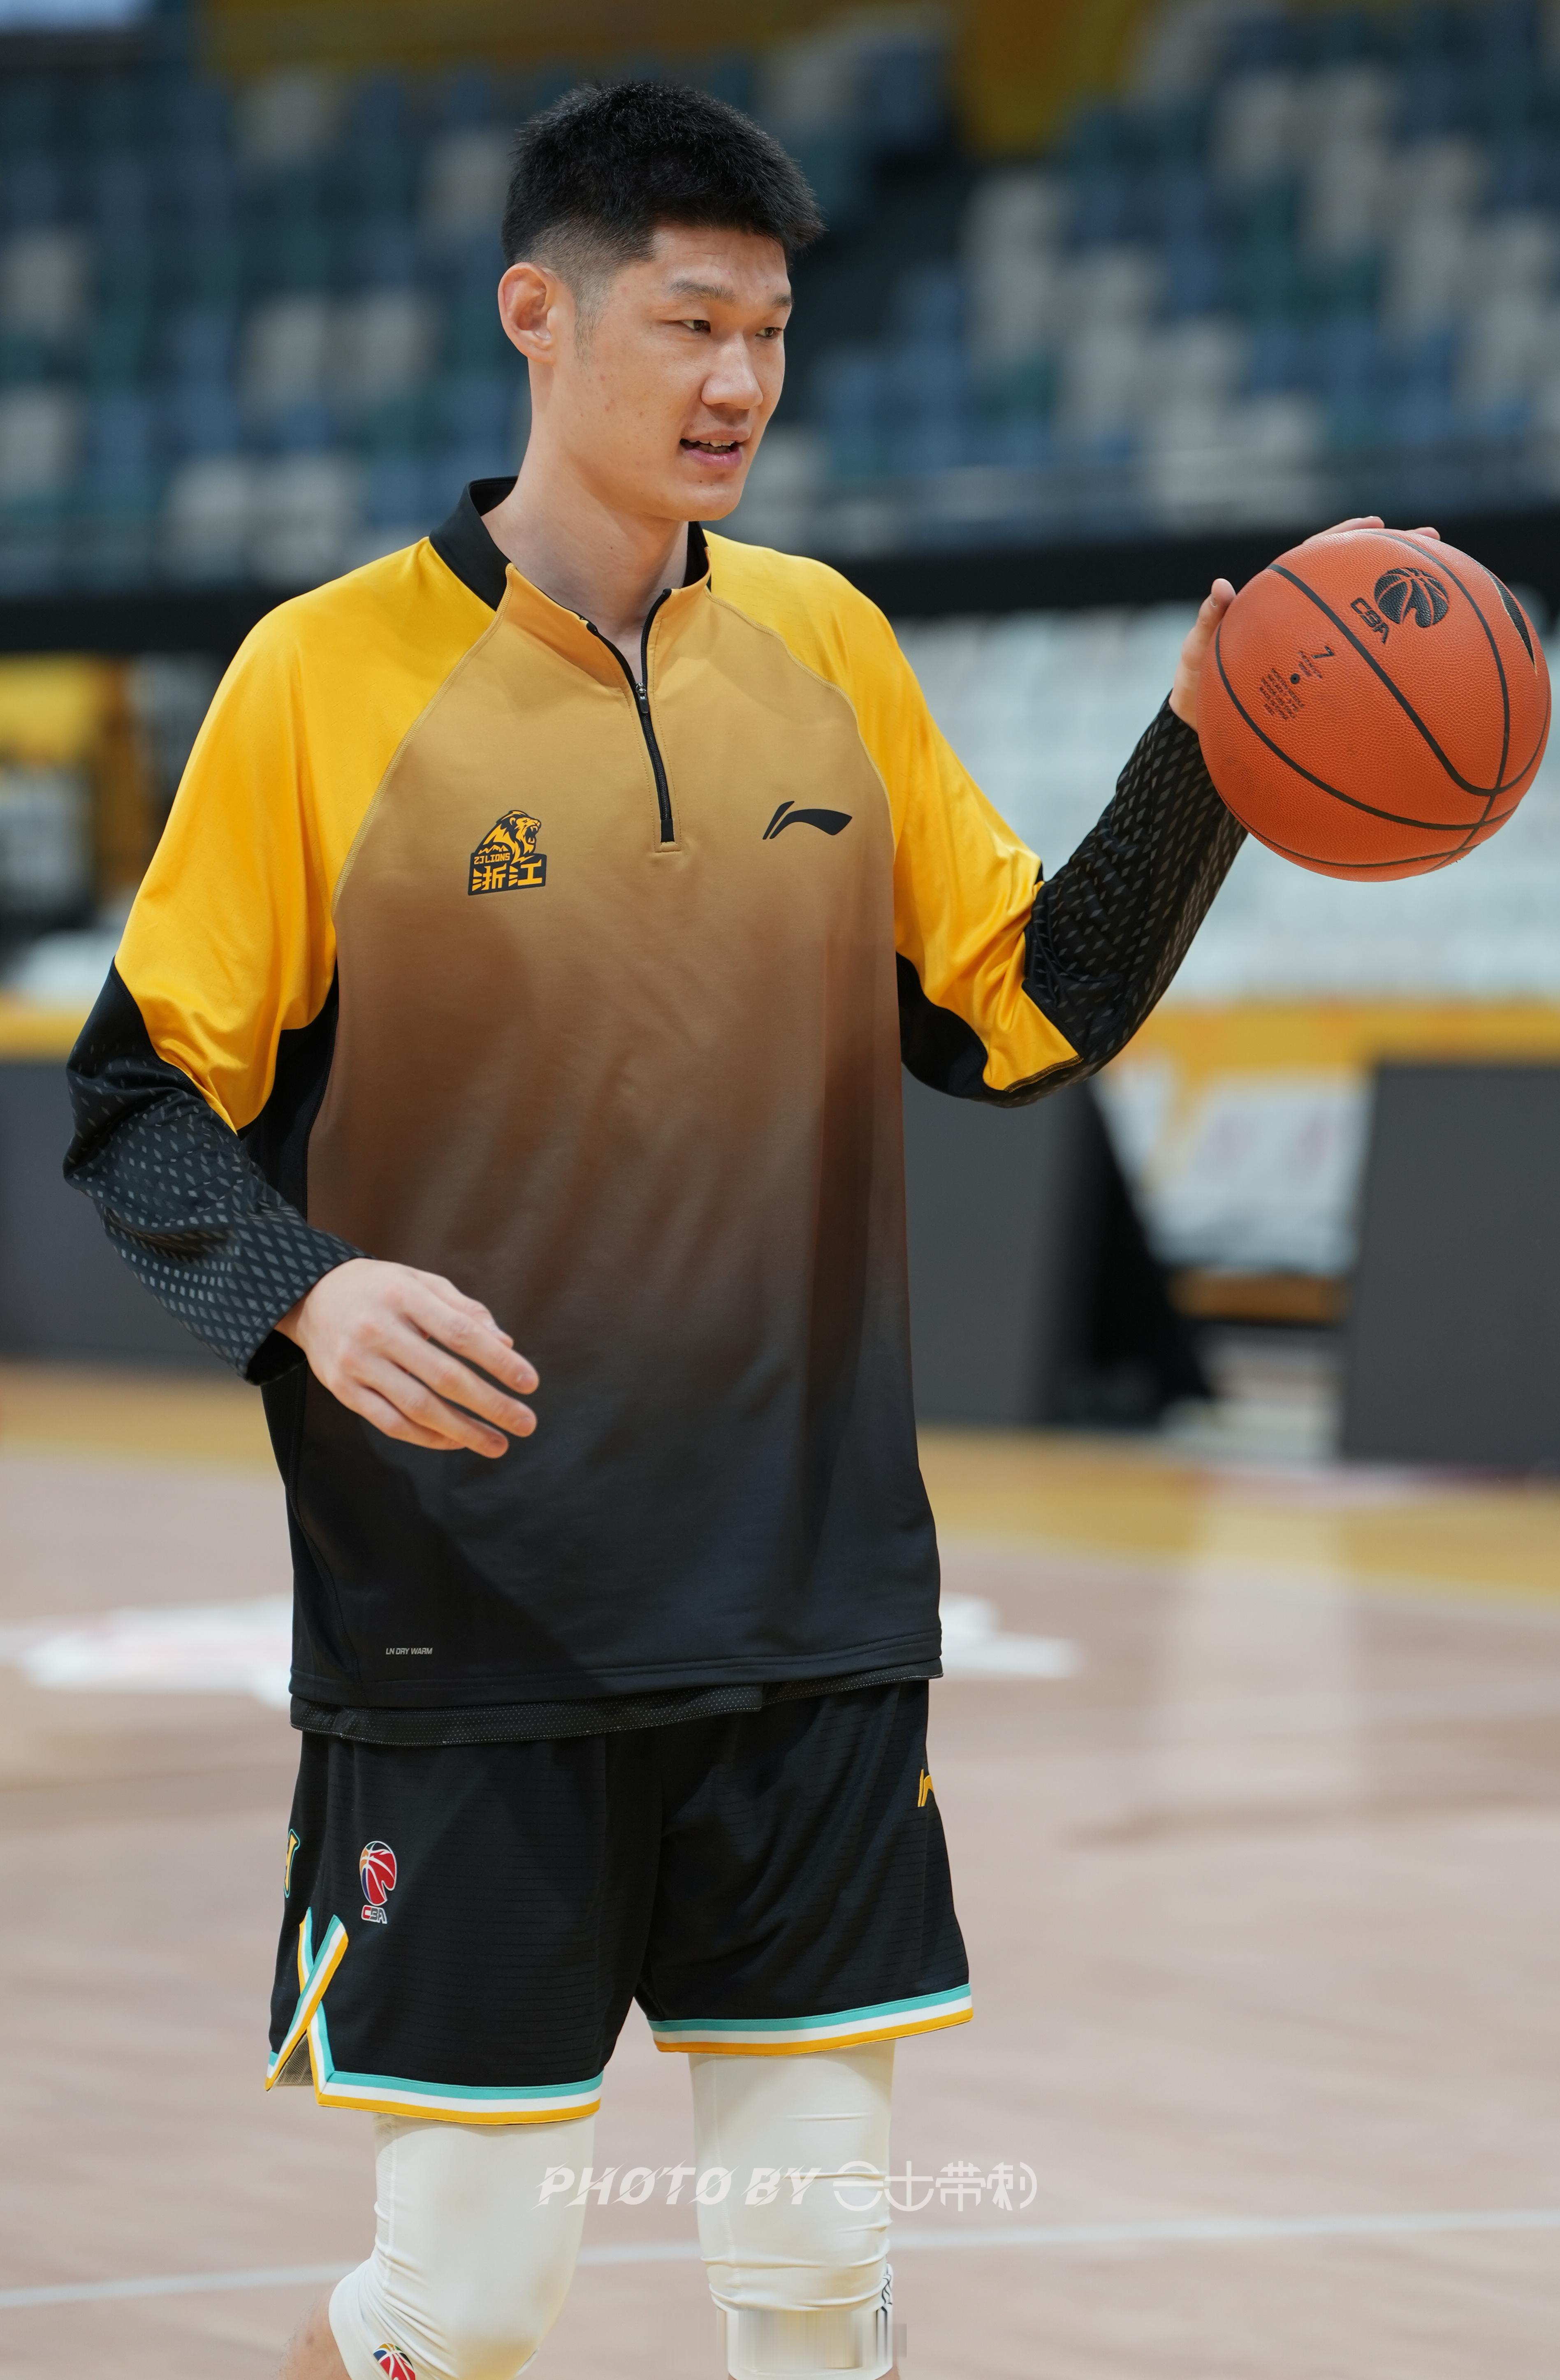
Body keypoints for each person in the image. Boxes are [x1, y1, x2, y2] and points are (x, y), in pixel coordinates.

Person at [66, 78, 1249, 2380]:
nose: (739, 382)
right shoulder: (320, 678)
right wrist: (307, 1289)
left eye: (771, 333)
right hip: (469, 1616)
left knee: (814, 2290)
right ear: (540, 314)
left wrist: (1201, 755)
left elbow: (1019, 1015)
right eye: (690, 323)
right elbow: (138, 1103)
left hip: (810, 1604)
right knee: (466, 2310)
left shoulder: (828, 642)